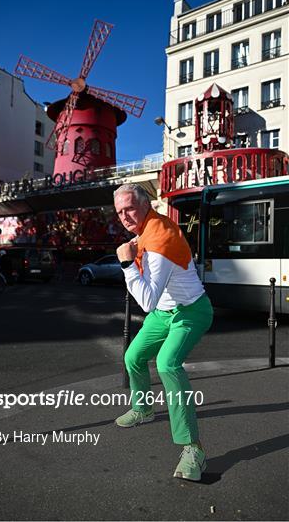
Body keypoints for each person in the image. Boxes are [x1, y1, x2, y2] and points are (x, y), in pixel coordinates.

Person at [113, 184, 213, 482]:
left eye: (129, 208)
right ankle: (143, 409)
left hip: (191, 311)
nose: (124, 216)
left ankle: (193, 449)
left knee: (168, 364)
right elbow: (154, 302)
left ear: (146, 205)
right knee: (133, 356)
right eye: (119, 211)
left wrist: (127, 264)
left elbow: (146, 300)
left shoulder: (160, 239)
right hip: (163, 314)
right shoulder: (147, 230)